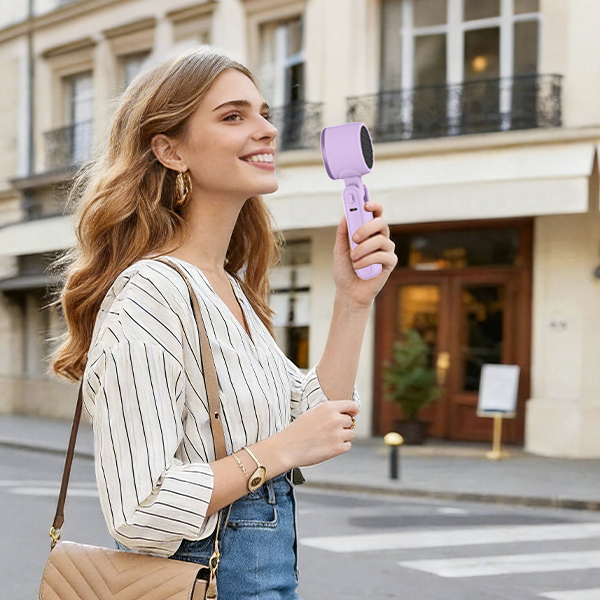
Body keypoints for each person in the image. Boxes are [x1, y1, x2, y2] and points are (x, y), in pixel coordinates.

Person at [49, 47, 395, 599]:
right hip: (210, 581)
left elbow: (316, 418)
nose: (267, 130)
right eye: (233, 116)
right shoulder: (152, 292)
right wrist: (280, 452)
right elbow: (139, 510)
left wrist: (353, 301)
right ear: (170, 150)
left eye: (263, 113)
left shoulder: (228, 287)